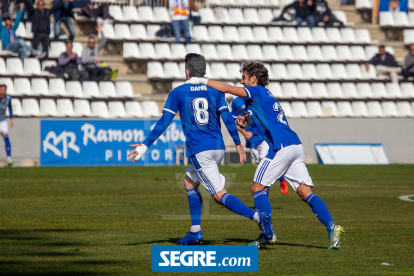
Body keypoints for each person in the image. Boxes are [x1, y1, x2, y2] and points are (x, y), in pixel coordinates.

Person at [186, 61, 344, 250]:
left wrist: (200, 80)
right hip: (294, 144)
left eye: (243, 78)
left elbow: (228, 88)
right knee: (304, 192)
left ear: (253, 79)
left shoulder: (257, 91)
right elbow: (261, 116)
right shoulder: (266, 95)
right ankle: (332, 227)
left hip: (280, 146)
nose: (241, 81)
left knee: (256, 189)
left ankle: (267, 234)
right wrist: (245, 120)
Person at [128, 53, 274, 245]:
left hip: (200, 150)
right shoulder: (215, 91)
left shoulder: (178, 92)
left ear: (187, 71)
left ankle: (258, 218)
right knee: (189, 183)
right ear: (203, 71)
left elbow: (165, 121)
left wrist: (145, 145)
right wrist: (238, 144)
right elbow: (228, 119)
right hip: (217, 148)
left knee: (218, 195)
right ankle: (195, 231)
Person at [231, 96, 289, 196]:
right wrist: (244, 132)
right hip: (251, 140)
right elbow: (234, 122)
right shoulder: (236, 101)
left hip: (264, 137)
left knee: (263, 170)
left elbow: (279, 111)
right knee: (262, 168)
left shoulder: (259, 95)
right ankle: (281, 178)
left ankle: (263, 200)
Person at [0, 84, 13, 167]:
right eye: (1, 90)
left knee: (6, 138)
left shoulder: (8, 99)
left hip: (3, 120)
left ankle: (9, 158)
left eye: (4, 90)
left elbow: (10, 107)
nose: (2, 92)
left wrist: (11, 118)